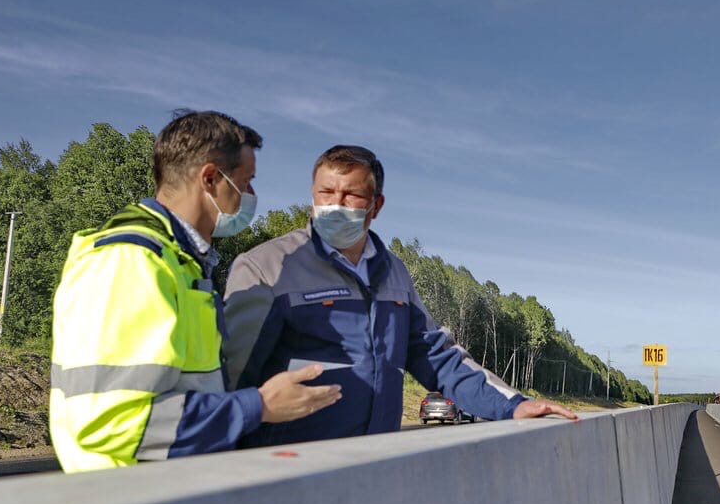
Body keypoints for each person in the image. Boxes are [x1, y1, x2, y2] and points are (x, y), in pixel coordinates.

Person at [223, 144, 577, 447]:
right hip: (288, 470)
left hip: (375, 466)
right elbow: (230, 380)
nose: (335, 205)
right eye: (325, 193)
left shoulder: (393, 272)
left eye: (351, 195)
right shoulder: (267, 267)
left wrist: (514, 405)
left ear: (375, 206)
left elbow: (436, 356)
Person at [49, 110, 342, 473]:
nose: (250, 195)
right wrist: (259, 406)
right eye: (246, 181)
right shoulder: (131, 261)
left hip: (162, 494)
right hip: (123, 502)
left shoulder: (179, 262)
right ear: (210, 178)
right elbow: (113, 423)